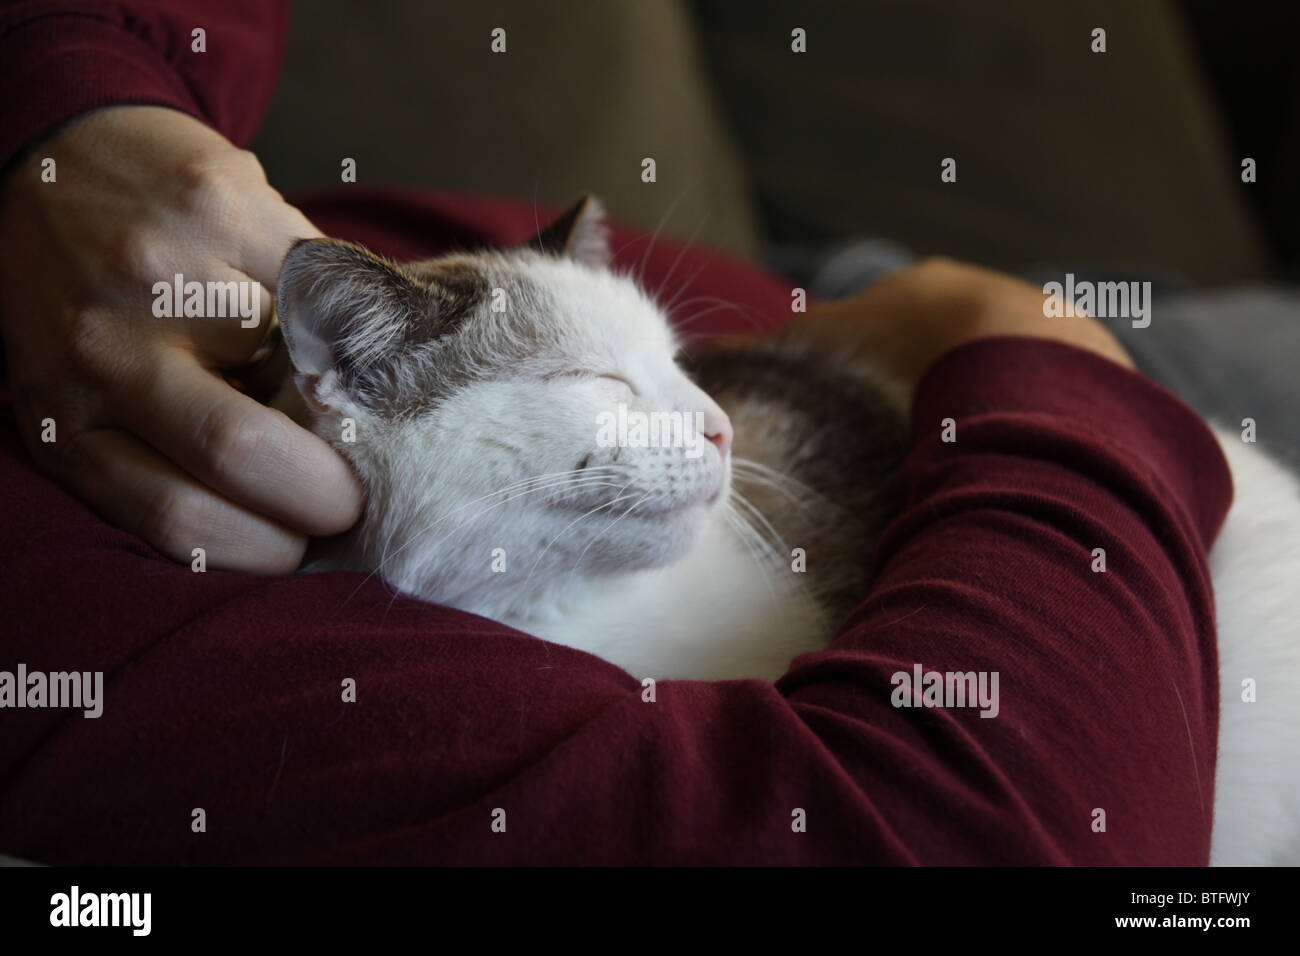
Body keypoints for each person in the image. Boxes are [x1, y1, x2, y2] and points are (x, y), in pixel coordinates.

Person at [0, 1, 1228, 864]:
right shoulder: (176, 659)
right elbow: (999, 830)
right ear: (354, 386)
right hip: (1070, 416)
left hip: (866, 313)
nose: (705, 429)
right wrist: (1018, 336)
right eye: (616, 386)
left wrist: (62, 94)